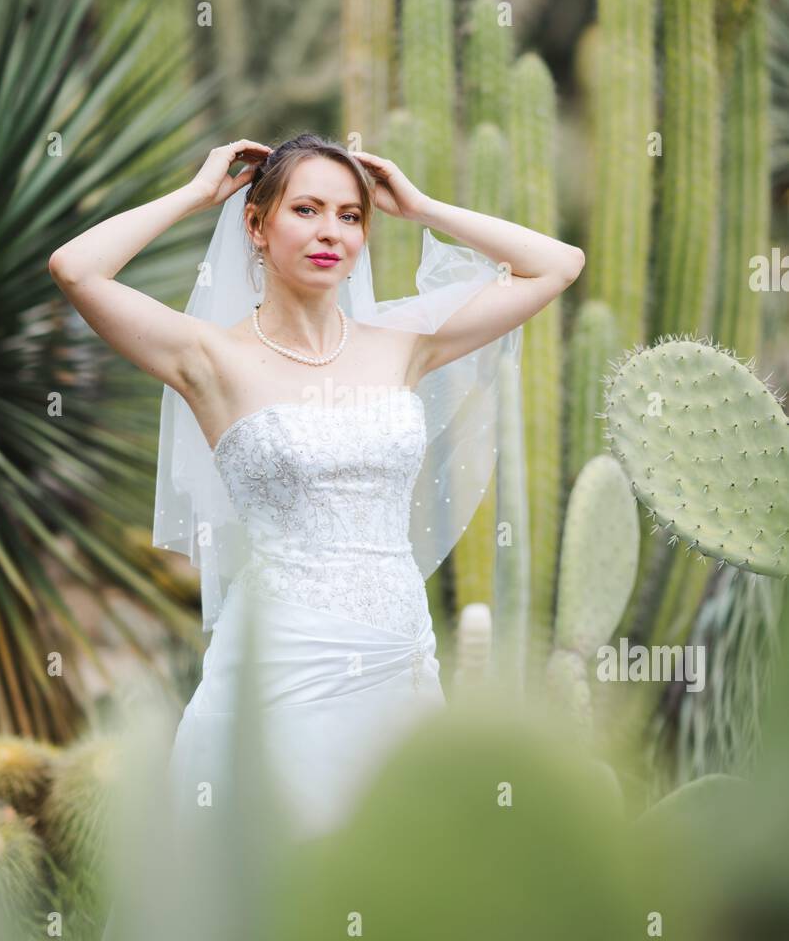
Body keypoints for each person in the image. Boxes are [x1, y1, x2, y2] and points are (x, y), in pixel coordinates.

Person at [48, 132, 584, 843]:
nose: (331, 231)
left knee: (393, 868)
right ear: (256, 225)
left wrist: (422, 208)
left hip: (398, 655)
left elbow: (556, 265)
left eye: (350, 216)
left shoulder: (403, 344)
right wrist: (196, 193)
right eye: (305, 209)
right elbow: (77, 270)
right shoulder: (209, 357)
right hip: (281, 665)